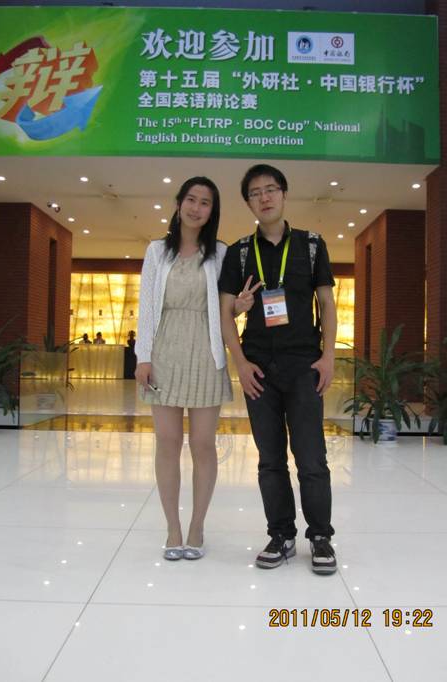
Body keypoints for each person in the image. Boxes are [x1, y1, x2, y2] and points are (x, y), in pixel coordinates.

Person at [219, 164, 338, 575]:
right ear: (248, 202)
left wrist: (328, 356)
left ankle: (320, 537)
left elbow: (326, 303)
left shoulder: (311, 245)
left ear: (284, 194)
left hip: (304, 366)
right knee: (270, 459)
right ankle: (282, 535)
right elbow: (225, 314)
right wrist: (240, 363)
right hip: (259, 371)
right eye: (255, 193)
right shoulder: (238, 253)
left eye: (271, 189)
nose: (264, 198)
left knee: (311, 458)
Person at [135, 176, 235, 562]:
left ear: (213, 211)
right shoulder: (156, 251)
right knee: (168, 442)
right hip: (164, 352)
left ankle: (197, 526)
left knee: (203, 444)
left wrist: (238, 308)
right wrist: (143, 357)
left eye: (205, 202)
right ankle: (172, 528)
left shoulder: (220, 253)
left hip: (207, 354)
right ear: (178, 204)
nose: (196, 208)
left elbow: (224, 308)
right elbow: (146, 307)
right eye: (191, 199)